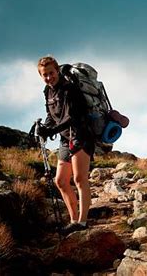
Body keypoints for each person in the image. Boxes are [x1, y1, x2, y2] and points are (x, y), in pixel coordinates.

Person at [36, 55, 95, 235]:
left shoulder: (69, 89)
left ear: (57, 71)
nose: (48, 77)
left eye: (51, 73)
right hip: (64, 139)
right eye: (44, 75)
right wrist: (43, 127)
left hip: (80, 136)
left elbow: (71, 117)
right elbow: (52, 115)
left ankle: (82, 223)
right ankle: (73, 221)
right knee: (61, 181)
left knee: (79, 179)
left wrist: (50, 131)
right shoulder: (48, 91)